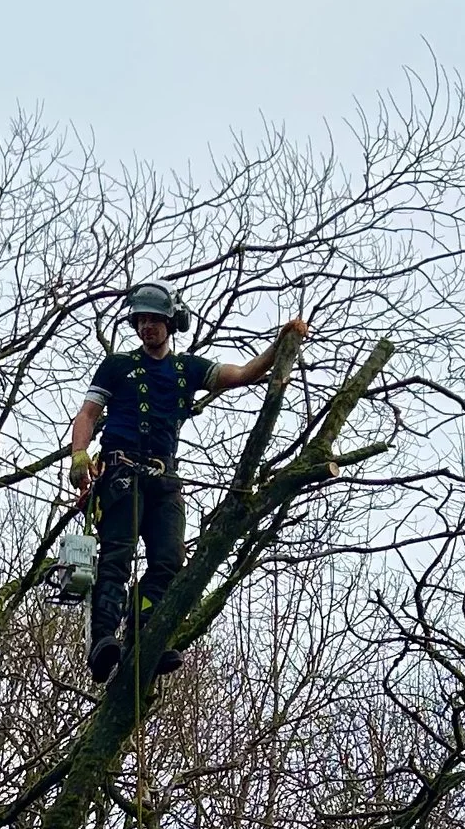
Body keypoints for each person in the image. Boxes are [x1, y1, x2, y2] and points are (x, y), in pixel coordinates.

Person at [67, 283, 308, 684]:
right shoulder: (117, 366)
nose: (147, 327)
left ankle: (144, 634)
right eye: (141, 320)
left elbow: (243, 374)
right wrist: (79, 455)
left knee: (168, 560)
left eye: (155, 320)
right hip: (122, 473)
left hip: (164, 479)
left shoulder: (187, 370)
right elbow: (88, 414)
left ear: (171, 322)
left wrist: (280, 344)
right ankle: (103, 640)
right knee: (117, 556)